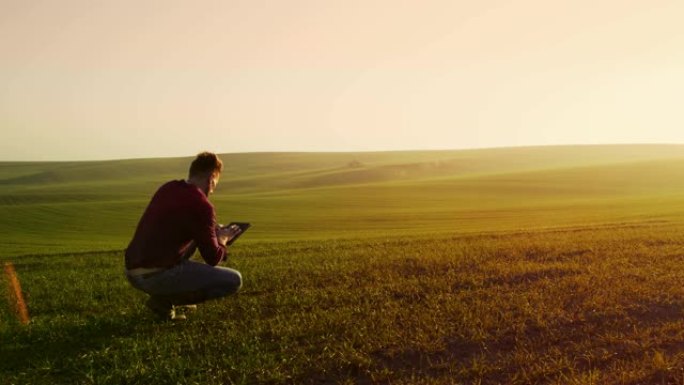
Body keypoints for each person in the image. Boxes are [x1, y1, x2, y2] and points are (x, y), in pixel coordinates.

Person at [125, 151, 243, 321]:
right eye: (215, 184)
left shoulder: (168, 187)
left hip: (132, 272)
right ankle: (165, 300)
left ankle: (164, 298)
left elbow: (174, 227)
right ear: (211, 179)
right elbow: (212, 258)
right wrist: (222, 240)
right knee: (234, 280)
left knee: (195, 241)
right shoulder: (202, 205)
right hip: (155, 276)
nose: (213, 190)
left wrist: (209, 231)